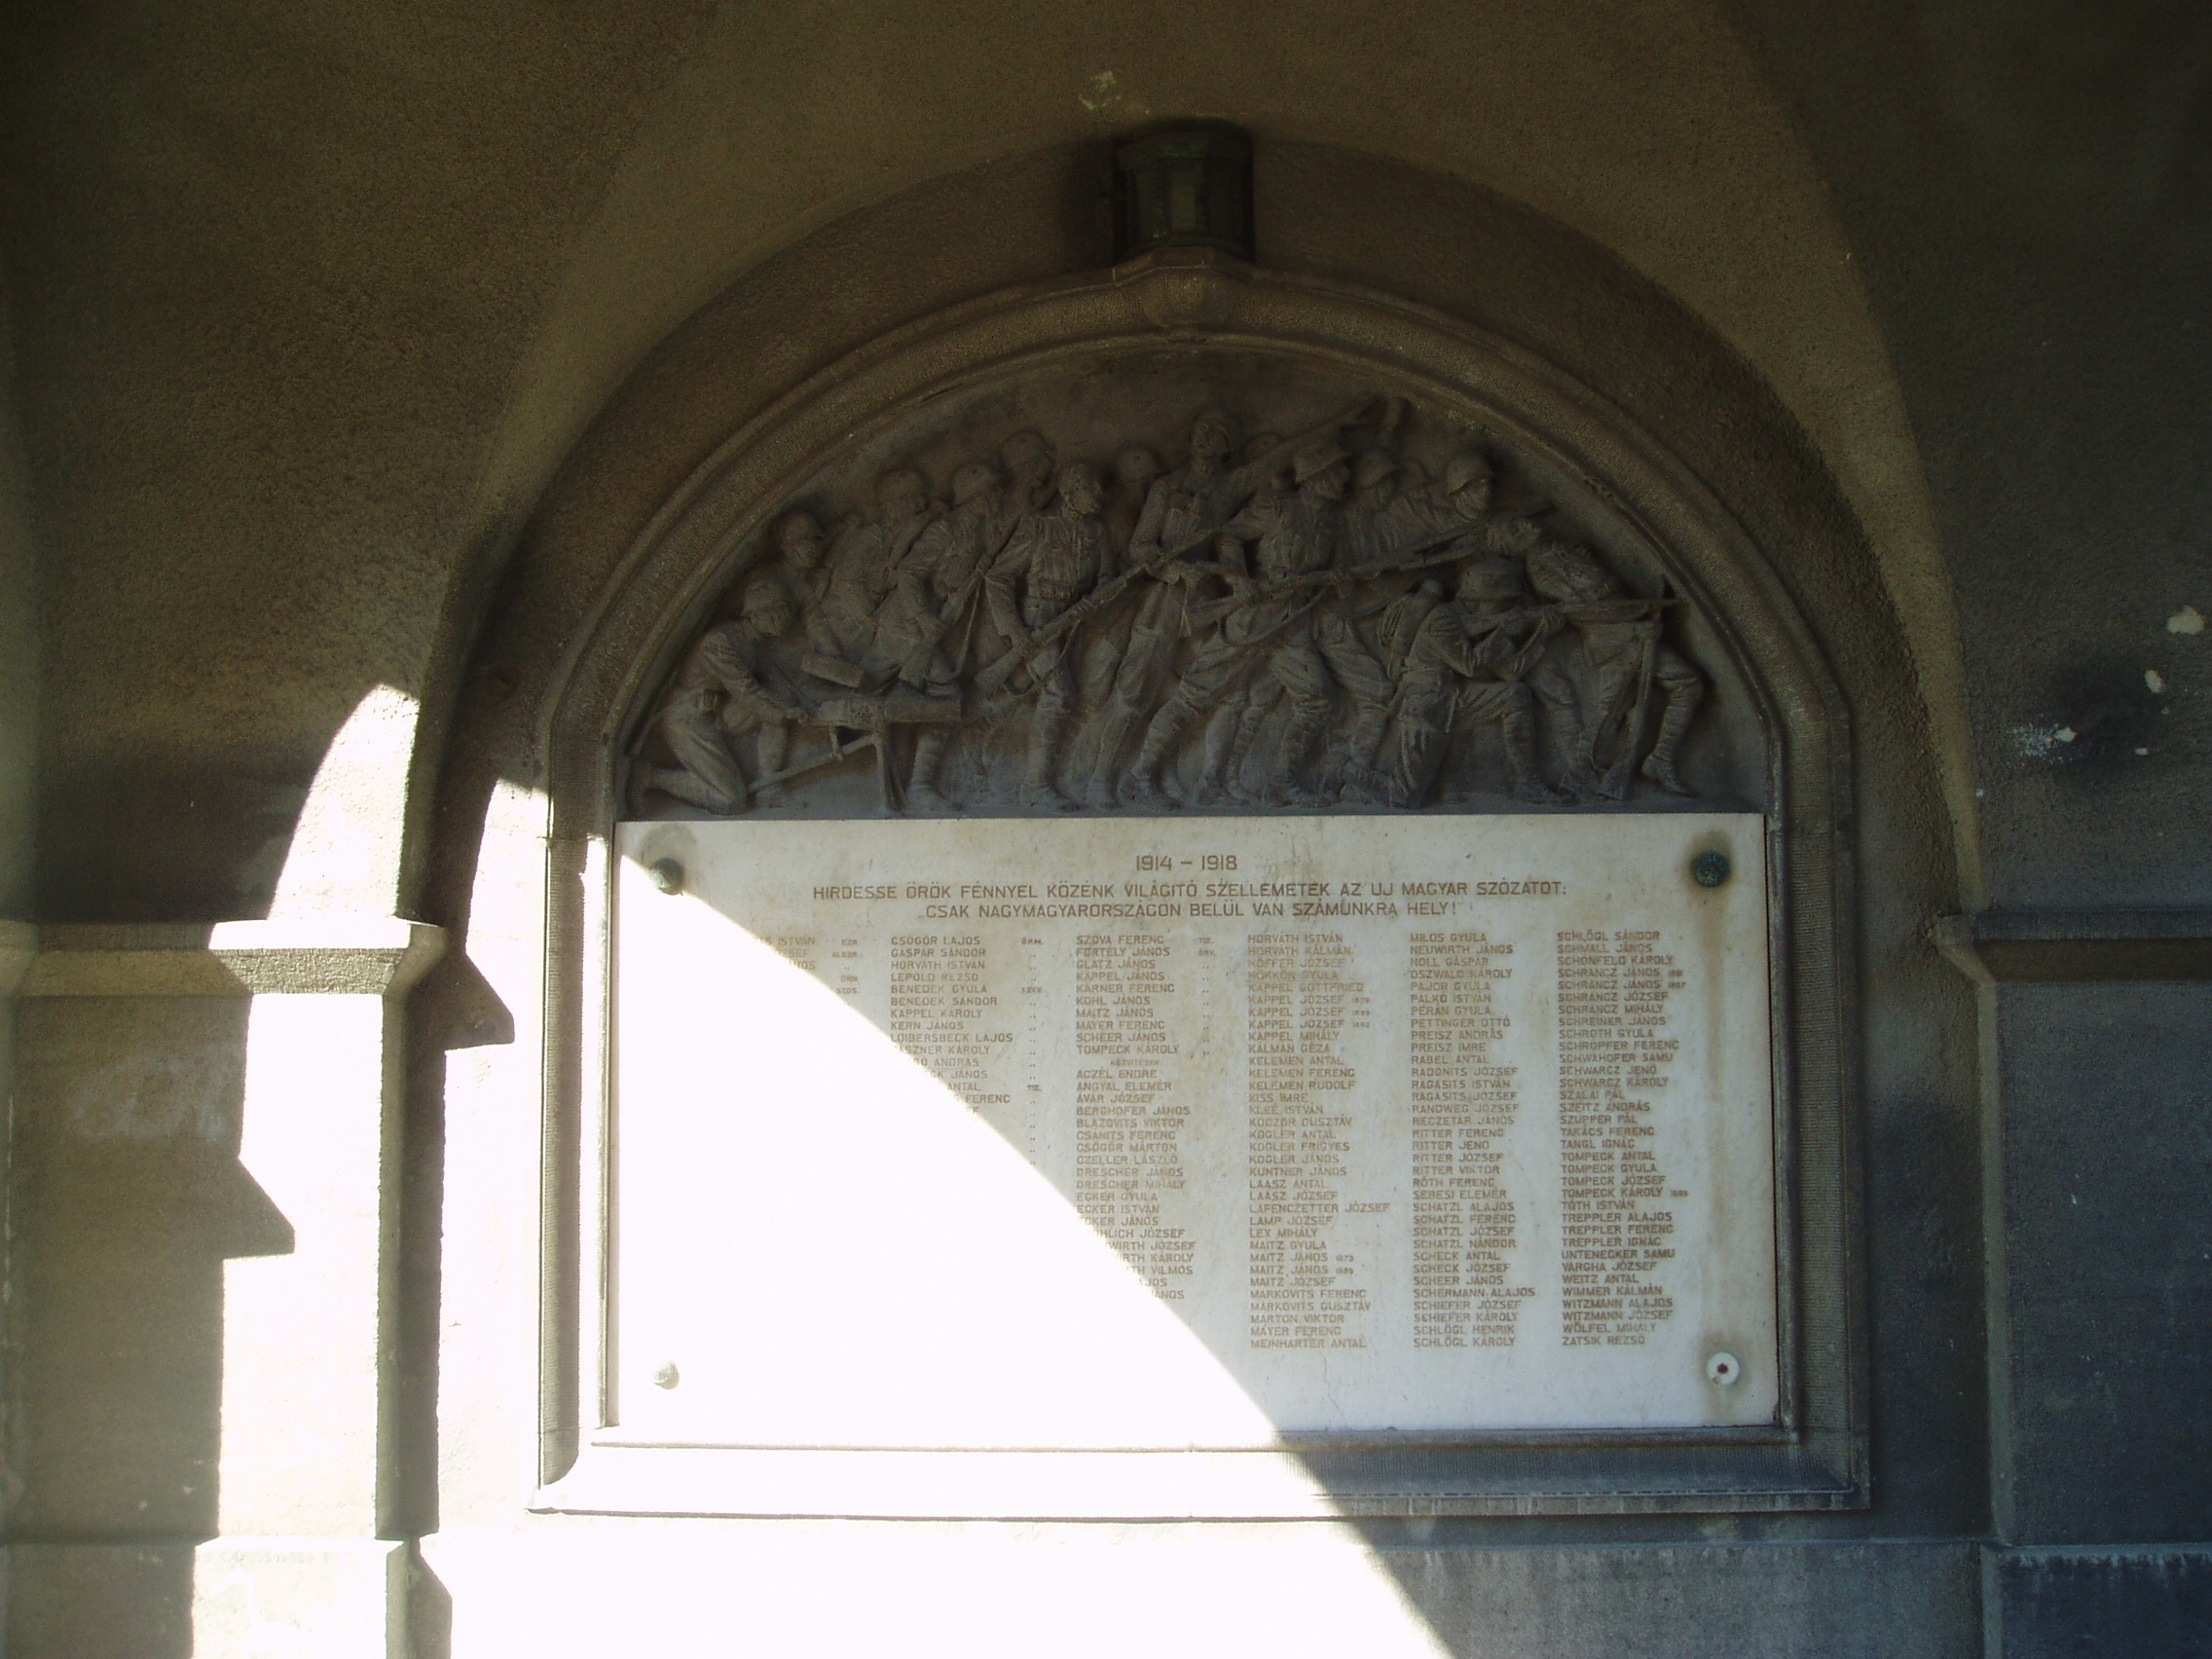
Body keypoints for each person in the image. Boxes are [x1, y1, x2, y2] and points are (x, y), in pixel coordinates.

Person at [1377, 556, 1564, 807]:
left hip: (1455, 699)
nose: (1509, 609)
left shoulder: (1473, 625)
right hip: (1426, 706)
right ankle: (1346, 770)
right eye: (1504, 603)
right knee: (1403, 796)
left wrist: (1541, 635)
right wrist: (1506, 631)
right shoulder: (1442, 620)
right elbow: (1471, 665)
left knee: (1515, 695)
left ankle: (1527, 784)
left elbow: (1509, 673)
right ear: (1480, 601)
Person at [1524, 538, 1703, 796]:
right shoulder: (1543, 573)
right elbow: (1590, 611)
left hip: (1636, 636)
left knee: (1686, 683)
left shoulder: (1576, 556)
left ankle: (1660, 757)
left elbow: (1613, 599)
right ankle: (1580, 777)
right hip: (1613, 644)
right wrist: (1638, 628)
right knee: (1607, 719)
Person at [987, 461, 1115, 808]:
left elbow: (1107, 577)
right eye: (1090, 487)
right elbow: (998, 578)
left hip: (1076, 623)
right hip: (1039, 618)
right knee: (1059, 694)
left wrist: (1097, 600)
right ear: (1069, 493)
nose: (1099, 494)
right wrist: (1015, 631)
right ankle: (1035, 785)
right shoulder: (1039, 526)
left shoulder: (1097, 532)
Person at [630, 579, 808, 815]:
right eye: (777, 612)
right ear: (756, 614)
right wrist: (782, 713)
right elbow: (745, 690)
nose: (784, 618)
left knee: (781, 696)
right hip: (687, 719)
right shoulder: (720, 641)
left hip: (717, 714)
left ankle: (770, 786)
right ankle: (652, 777)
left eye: (785, 611)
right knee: (730, 800)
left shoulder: (753, 643)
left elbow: (777, 682)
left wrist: (806, 706)